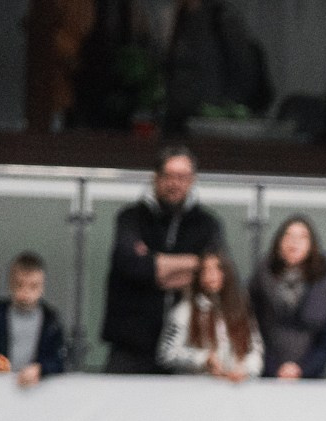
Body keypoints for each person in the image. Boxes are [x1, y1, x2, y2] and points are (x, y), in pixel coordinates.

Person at [101, 147, 226, 374]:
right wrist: (193, 262)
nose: (174, 183)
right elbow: (132, 266)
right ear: (156, 177)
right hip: (130, 345)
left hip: (186, 348)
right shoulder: (130, 218)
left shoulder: (208, 225)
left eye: (182, 177)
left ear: (192, 180)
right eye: (168, 176)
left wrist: (155, 263)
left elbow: (213, 275)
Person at [250, 215, 326, 379]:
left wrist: (302, 369)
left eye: (302, 237)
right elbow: (252, 331)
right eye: (289, 236)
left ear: (312, 245)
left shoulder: (324, 284)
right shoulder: (261, 280)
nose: (294, 242)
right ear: (279, 242)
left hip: (311, 377)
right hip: (266, 373)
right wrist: (274, 367)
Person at [162, 0, 273, 133]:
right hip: (182, 118)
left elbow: (245, 69)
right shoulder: (180, 20)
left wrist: (226, 108)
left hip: (214, 119)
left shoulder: (220, 18)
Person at [159, 252, 263, 380]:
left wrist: (244, 369)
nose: (211, 275)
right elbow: (167, 353)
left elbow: (255, 350)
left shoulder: (240, 310)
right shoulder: (185, 311)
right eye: (206, 270)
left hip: (234, 387)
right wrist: (204, 359)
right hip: (196, 387)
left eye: (217, 269)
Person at [0, 252, 67, 386]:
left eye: (33, 286)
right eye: (19, 285)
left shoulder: (51, 321)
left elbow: (59, 361)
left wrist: (40, 369)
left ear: (42, 287)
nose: (26, 293)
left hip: (35, 388)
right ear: (10, 284)